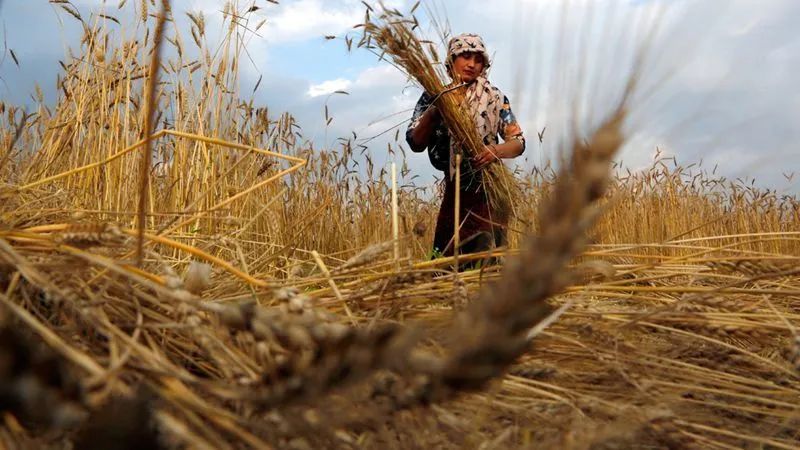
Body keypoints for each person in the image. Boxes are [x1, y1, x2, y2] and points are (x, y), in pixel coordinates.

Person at [406, 33, 525, 262]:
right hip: (455, 188)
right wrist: (435, 111)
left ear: (484, 65)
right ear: (451, 61)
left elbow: (518, 142)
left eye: (478, 59)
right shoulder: (434, 96)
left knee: (488, 262)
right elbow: (415, 142)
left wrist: (495, 152)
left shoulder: (496, 97)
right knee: (445, 262)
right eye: (465, 56)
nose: (472, 64)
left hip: (488, 189)